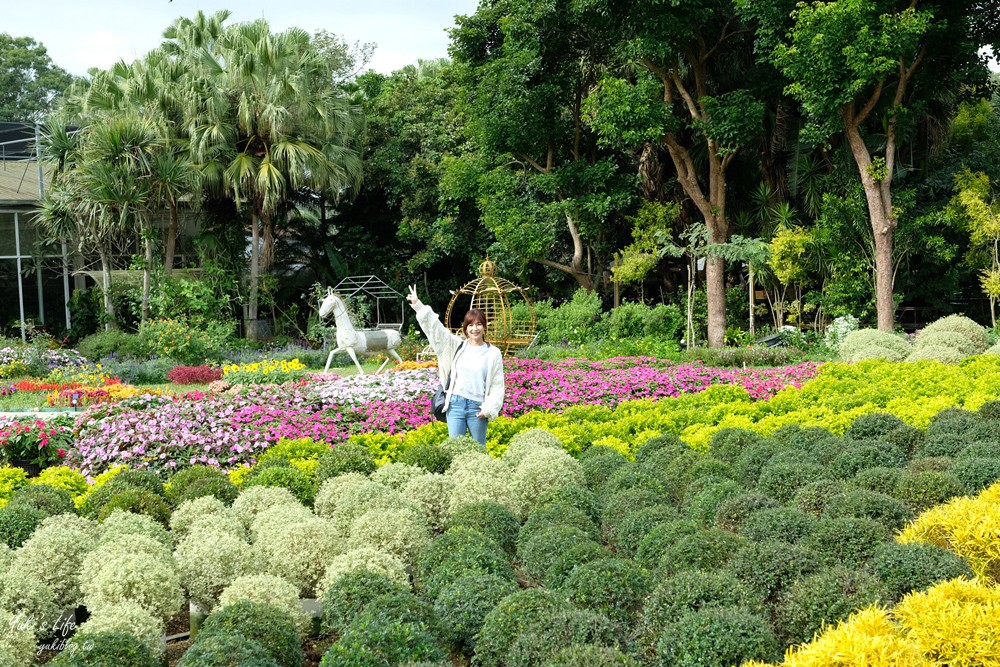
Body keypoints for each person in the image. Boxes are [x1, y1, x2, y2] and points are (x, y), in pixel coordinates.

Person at [407, 285, 504, 445]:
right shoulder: (456, 346)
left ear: (484, 327)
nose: (475, 329)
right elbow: (435, 329)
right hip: (455, 405)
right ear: (465, 328)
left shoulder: (493, 353)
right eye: (471, 325)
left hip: (477, 407)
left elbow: (497, 384)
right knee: (455, 450)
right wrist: (418, 305)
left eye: (479, 324)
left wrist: (488, 409)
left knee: (478, 451)